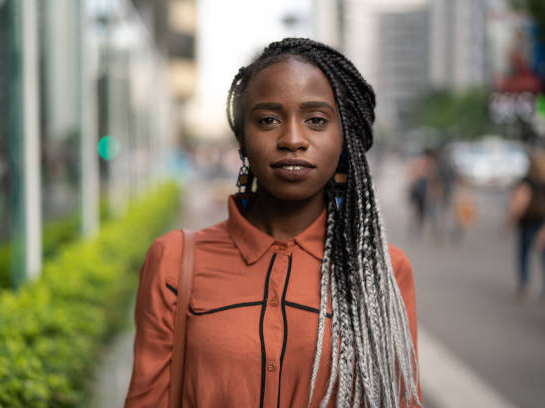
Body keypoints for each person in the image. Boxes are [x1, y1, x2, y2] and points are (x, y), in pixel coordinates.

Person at [124, 38, 420, 407]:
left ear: (345, 138)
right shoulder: (174, 261)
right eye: (268, 120)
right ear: (242, 139)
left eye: (316, 120)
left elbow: (399, 398)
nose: (293, 139)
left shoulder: (383, 271)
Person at [507, 148, 545, 303]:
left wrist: (510, 220)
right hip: (542, 224)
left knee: (523, 254)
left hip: (527, 223)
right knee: (543, 259)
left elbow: (520, 203)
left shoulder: (526, 182)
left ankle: (523, 285)